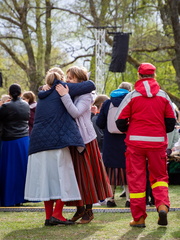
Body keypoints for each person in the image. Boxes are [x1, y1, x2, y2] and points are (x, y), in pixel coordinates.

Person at [24, 68, 96, 226]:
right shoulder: (61, 89)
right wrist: (63, 88)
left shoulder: (42, 95)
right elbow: (90, 84)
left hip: (37, 143)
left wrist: (42, 87)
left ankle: (49, 217)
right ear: (60, 80)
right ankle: (57, 214)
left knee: (46, 181)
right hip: (57, 142)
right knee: (64, 178)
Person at [115, 63, 176, 227]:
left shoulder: (132, 96)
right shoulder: (164, 96)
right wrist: (159, 129)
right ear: (154, 75)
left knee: (136, 180)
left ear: (139, 75)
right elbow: (172, 121)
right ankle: (162, 206)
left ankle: (139, 218)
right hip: (157, 144)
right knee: (160, 177)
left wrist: (130, 130)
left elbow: (119, 121)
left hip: (135, 144)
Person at [56, 66, 113, 224]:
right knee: (75, 176)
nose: (68, 80)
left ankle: (88, 210)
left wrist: (64, 95)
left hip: (85, 140)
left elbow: (75, 112)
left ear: (80, 81)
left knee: (88, 176)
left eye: (71, 78)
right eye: (67, 77)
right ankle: (79, 208)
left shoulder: (87, 95)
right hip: (72, 140)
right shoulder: (74, 93)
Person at [96, 82, 132, 208]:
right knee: (127, 170)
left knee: (110, 171)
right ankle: (129, 199)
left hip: (110, 143)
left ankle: (110, 199)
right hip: (126, 141)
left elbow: (99, 123)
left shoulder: (106, 103)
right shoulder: (130, 102)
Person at [0, 84, 30, 207]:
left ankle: (9, 197)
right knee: (21, 170)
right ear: (21, 93)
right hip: (23, 139)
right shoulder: (26, 105)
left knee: (9, 170)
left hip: (9, 140)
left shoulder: (6, 106)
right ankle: (22, 197)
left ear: (10, 93)